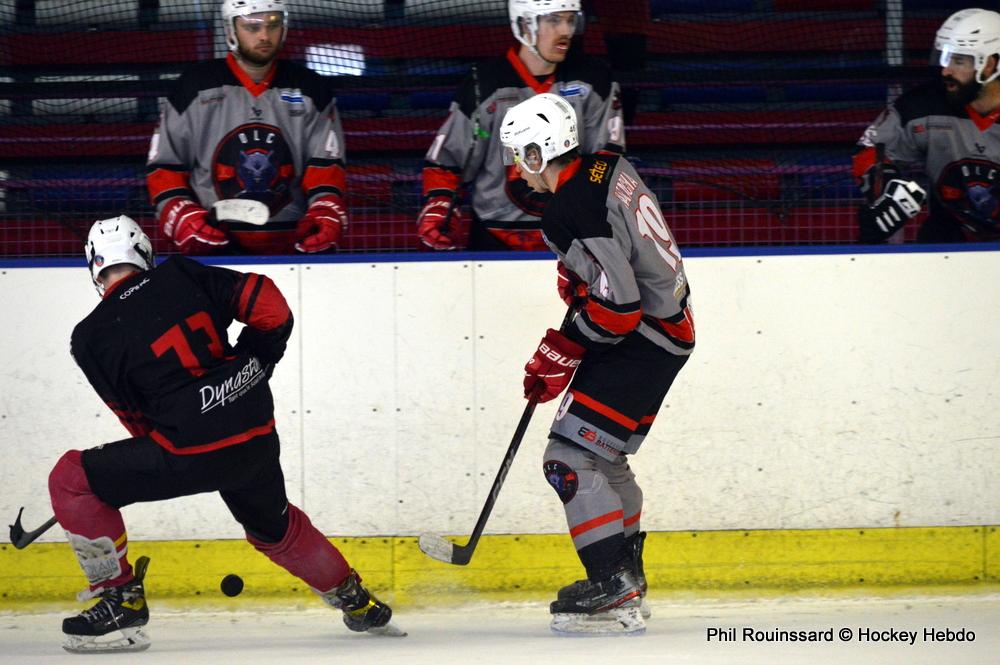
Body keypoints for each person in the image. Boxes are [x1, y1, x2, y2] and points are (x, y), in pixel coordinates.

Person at [48, 216, 403, 653]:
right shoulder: (181, 273)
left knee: (71, 479)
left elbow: (136, 421)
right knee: (277, 529)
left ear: (95, 268)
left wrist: (184, 431)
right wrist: (252, 365)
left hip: (187, 451)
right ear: (144, 253)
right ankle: (358, 601)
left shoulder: (88, 338)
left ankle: (120, 599)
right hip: (254, 435)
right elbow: (272, 308)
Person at [498, 94, 695, 635]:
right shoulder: (607, 164)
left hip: (643, 337)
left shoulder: (567, 210)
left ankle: (611, 585)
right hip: (669, 329)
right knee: (604, 461)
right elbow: (620, 260)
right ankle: (628, 579)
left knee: (567, 460)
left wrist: (560, 350)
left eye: (521, 155)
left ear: (540, 154)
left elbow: (618, 310)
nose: (518, 167)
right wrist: (587, 281)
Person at [417, 0, 625, 251]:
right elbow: (448, 161)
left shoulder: (594, 80)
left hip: (572, 239)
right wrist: (439, 205)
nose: (566, 31)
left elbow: (607, 160)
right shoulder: (483, 84)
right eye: (554, 20)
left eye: (570, 20)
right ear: (524, 24)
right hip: (493, 238)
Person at [147, 0, 348, 255]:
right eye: (252, 27)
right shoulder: (194, 87)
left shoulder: (311, 89)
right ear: (231, 30)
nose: (264, 35)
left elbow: (325, 168)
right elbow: (165, 167)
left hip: (295, 250)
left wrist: (326, 210)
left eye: (272, 24)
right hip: (211, 245)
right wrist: (181, 216)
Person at [854, 8, 1000, 243]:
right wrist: (884, 189)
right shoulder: (924, 106)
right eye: (945, 58)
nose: (946, 70)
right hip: (954, 233)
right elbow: (870, 148)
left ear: (990, 65)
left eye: (958, 60)